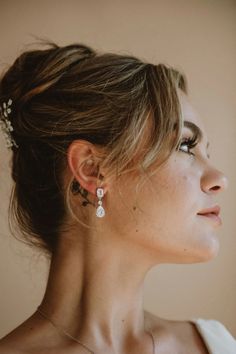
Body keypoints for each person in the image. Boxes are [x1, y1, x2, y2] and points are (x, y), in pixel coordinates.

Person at [0, 40, 235, 354]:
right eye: (185, 146)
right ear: (93, 169)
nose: (220, 179)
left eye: (207, 152)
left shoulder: (214, 343)